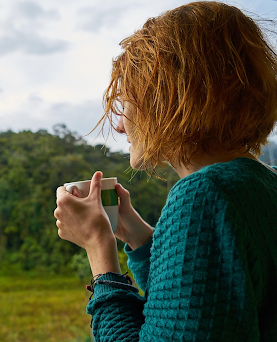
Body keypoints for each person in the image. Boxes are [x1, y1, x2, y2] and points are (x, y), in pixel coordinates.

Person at [54, 1, 277, 341]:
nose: (119, 128)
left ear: (168, 101)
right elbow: (195, 305)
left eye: (126, 106)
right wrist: (136, 235)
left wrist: (99, 247)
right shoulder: (262, 183)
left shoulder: (203, 195)